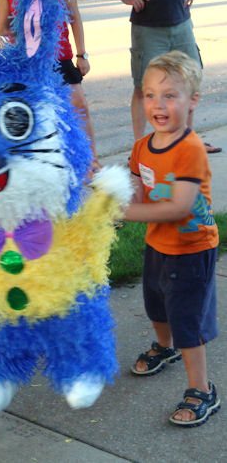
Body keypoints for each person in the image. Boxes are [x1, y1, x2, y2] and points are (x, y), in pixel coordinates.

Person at [125, 51, 220, 427]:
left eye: (169, 95)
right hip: (158, 244)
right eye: (149, 95)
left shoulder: (191, 149)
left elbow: (179, 207)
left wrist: (126, 214)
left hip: (192, 249)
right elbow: (136, 189)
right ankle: (165, 348)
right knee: (156, 302)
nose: (157, 104)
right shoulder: (142, 147)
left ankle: (202, 389)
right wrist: (111, 192)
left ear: (192, 100)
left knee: (187, 320)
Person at [91, 0, 221, 154]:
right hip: (147, 27)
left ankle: (187, 142)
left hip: (181, 21)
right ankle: (140, 149)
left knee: (189, 83)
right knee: (143, 88)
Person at [0, 0, 101, 172]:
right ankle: (35, 165)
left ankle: (91, 161)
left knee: (80, 109)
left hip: (59, 59)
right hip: (26, 64)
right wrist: (2, 57)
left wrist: (82, 55)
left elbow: (75, 18)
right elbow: (2, 28)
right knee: (30, 117)